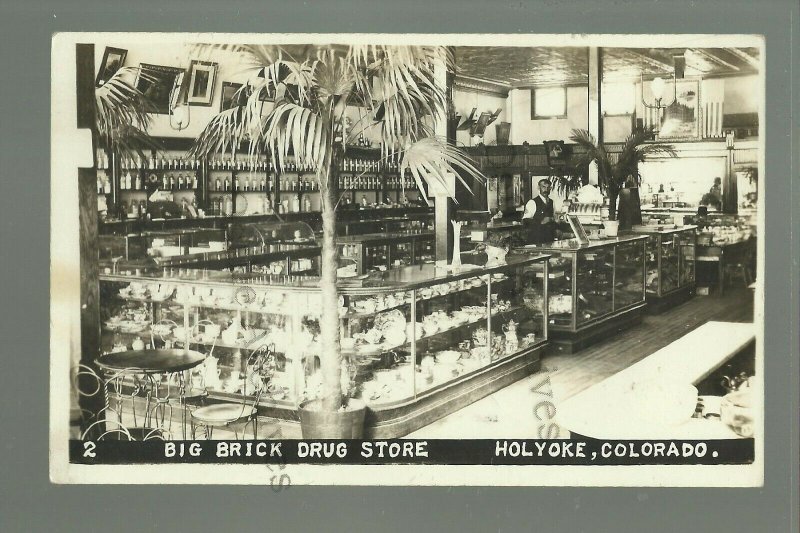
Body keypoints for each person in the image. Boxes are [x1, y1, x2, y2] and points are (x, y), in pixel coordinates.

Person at [522, 178, 556, 243]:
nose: (546, 190)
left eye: (548, 187)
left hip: (549, 238)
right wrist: (541, 221)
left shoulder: (552, 202)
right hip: (536, 238)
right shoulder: (532, 202)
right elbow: (525, 221)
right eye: (543, 187)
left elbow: (554, 218)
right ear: (538, 187)